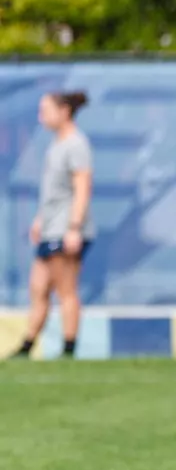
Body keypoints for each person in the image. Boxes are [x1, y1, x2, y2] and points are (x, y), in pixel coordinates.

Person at [10, 91, 94, 360]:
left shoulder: (76, 144)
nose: (41, 116)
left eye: (45, 110)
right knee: (38, 287)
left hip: (65, 229)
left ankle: (69, 349)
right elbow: (54, 193)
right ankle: (27, 346)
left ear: (64, 111)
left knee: (66, 290)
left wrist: (73, 227)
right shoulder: (56, 144)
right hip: (50, 227)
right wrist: (40, 219)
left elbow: (82, 189)